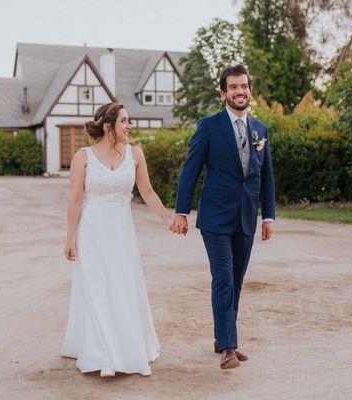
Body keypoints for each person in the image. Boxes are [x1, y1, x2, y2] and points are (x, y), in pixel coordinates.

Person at [171, 64, 276, 370]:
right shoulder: (208, 126)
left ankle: (221, 337)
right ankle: (229, 347)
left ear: (249, 90)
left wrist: (268, 215)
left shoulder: (261, 130)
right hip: (215, 218)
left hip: (246, 217)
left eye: (243, 86)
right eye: (233, 87)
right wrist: (181, 211)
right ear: (223, 93)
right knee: (224, 278)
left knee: (237, 280)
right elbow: (190, 170)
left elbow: (265, 176)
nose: (239, 91)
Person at [61, 102, 173, 377]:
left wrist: (166, 218)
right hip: (92, 234)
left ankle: (127, 346)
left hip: (122, 234)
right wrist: (70, 237)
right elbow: (75, 200)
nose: (129, 126)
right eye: (124, 121)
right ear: (108, 127)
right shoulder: (83, 157)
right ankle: (104, 355)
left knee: (122, 287)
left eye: (128, 121)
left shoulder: (135, 154)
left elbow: (146, 192)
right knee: (98, 289)